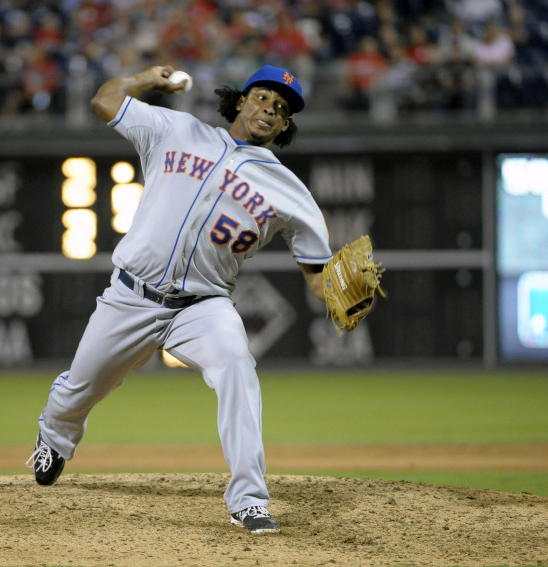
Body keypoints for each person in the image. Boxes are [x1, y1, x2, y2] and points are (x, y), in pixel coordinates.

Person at [26, 64, 333, 535]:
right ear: (240, 101)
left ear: (286, 125)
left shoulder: (290, 191)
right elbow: (104, 100)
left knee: (237, 367)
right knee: (79, 389)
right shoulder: (177, 130)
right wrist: (149, 79)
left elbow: (317, 273)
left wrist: (342, 300)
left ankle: (248, 500)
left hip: (204, 308)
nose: (270, 109)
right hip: (130, 297)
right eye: (263, 97)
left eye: (282, 108)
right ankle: (55, 437)